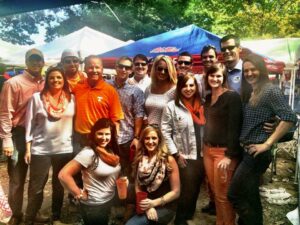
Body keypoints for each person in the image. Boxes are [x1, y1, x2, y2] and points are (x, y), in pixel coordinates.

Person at [227, 54, 297, 225]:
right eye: (246, 70)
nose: (249, 73)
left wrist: (267, 143)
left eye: (253, 69)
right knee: (250, 197)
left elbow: (289, 118)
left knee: (234, 194)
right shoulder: (254, 91)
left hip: (256, 154)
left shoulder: (270, 90)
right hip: (247, 151)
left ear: (262, 70)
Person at [0, 49, 49, 225]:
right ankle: (16, 214)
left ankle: (32, 213)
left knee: (38, 179)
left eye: (39, 60)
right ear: (26, 62)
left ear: (43, 62)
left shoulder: (46, 83)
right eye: (33, 60)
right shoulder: (13, 83)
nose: (36, 63)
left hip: (40, 135)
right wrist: (6, 139)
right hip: (18, 135)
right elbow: (5, 113)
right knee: (17, 179)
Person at [24, 67, 74, 225]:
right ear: (46, 79)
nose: (56, 80)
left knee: (59, 186)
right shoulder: (37, 98)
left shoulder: (71, 98)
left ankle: (56, 217)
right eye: (52, 77)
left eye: (59, 77)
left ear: (64, 79)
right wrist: (27, 148)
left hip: (64, 149)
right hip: (41, 149)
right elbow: (29, 124)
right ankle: (30, 218)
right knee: (36, 187)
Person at [161, 74, 205, 225]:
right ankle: (180, 219)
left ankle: (188, 215)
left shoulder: (203, 104)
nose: (188, 89)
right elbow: (165, 132)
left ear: (196, 87)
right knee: (187, 189)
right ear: (179, 88)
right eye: (184, 86)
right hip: (184, 154)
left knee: (197, 186)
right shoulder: (171, 107)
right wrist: (176, 154)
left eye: (191, 85)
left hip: (202, 153)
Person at [59, 118, 121, 225]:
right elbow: (63, 175)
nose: (104, 138)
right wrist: (78, 193)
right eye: (100, 134)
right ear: (93, 134)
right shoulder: (88, 153)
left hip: (108, 200)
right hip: (94, 206)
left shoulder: (110, 151)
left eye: (107, 134)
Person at [203, 63, 243, 225]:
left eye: (218, 75)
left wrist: (229, 155)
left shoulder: (231, 96)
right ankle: (221, 222)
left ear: (224, 78)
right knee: (215, 192)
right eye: (212, 75)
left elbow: (235, 127)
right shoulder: (207, 98)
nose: (215, 78)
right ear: (207, 77)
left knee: (223, 195)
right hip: (207, 149)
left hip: (223, 152)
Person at [126, 125, 180, 225]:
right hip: (146, 202)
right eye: (147, 138)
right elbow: (138, 185)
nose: (150, 142)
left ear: (159, 140)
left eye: (154, 138)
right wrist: (146, 206)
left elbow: (176, 192)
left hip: (164, 205)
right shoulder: (140, 158)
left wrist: (153, 203)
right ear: (142, 140)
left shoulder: (169, 160)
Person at [72, 55, 124, 148]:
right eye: (91, 67)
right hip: (80, 138)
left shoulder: (110, 91)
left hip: (100, 139)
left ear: (102, 69)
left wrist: (112, 142)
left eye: (97, 67)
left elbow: (116, 120)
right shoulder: (78, 87)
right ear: (85, 69)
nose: (94, 70)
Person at [108, 56, 145, 180]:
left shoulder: (136, 91)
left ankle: (125, 198)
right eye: (121, 66)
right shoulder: (105, 86)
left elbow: (139, 115)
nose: (124, 69)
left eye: (127, 67)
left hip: (126, 138)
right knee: (108, 172)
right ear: (116, 68)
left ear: (131, 70)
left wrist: (136, 137)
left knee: (126, 173)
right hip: (106, 137)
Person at [145, 55, 177, 126]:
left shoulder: (175, 90)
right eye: (160, 68)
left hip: (166, 133)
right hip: (150, 133)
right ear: (155, 68)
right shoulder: (149, 88)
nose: (163, 72)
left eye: (166, 70)